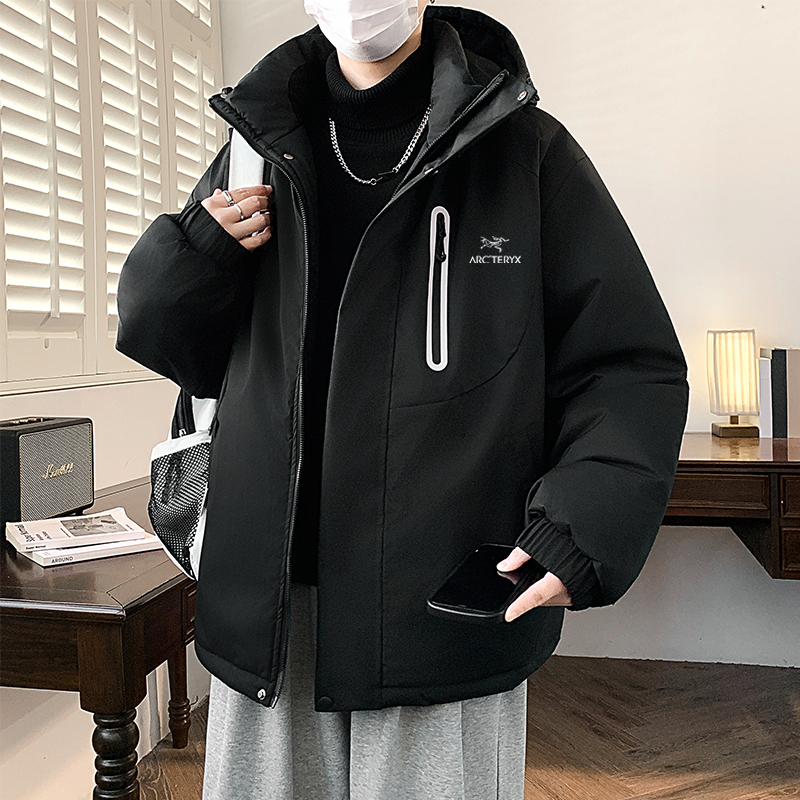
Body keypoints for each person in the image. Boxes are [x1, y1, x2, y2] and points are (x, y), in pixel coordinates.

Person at [115, 1, 690, 798]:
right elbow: (180, 351)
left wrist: (579, 529)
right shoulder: (252, 153)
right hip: (272, 617)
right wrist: (195, 254)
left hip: (440, 614)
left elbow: (627, 362)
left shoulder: (524, 151)